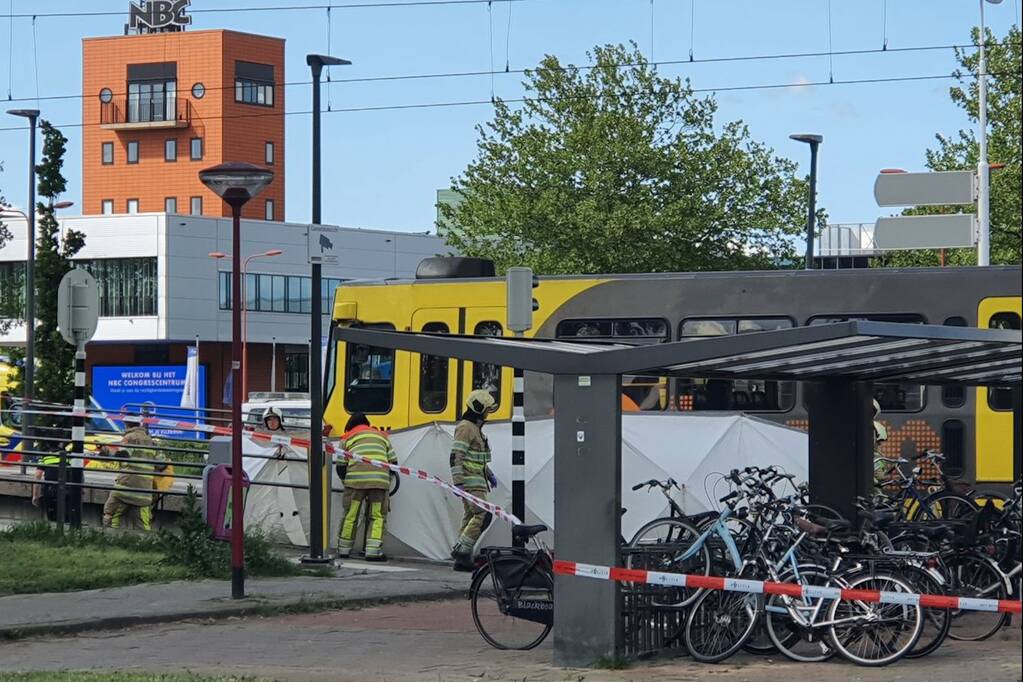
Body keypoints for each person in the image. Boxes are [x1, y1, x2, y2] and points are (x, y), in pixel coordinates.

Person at [336, 413, 397, 561]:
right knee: (377, 516)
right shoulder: (382, 436)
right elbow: (394, 463)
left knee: (351, 514)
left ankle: (344, 549)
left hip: (355, 482)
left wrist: (347, 482)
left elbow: (340, 466)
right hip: (379, 482)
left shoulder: (347, 437)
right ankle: (373, 551)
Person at [450, 389, 499, 572]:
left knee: (471, 516)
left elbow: (475, 457)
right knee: (483, 514)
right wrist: (458, 482)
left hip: (476, 480)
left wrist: (489, 473)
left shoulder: (474, 428)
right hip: (470, 482)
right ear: (478, 409)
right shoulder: (466, 428)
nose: (488, 413)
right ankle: (461, 551)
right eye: (487, 409)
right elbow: (456, 455)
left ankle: (462, 559)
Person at [102, 414, 160, 530]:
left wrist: (106, 452)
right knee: (143, 524)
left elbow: (123, 455)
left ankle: (111, 540)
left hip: (125, 487)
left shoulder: (129, 438)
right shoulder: (151, 441)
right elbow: (161, 464)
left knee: (111, 515)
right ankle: (144, 544)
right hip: (144, 491)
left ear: (126, 424)